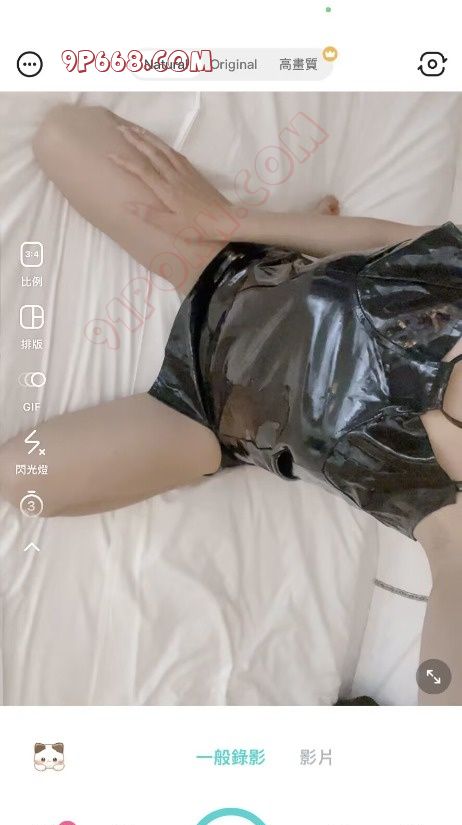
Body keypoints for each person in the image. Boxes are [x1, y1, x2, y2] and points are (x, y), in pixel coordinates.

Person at [1, 105, 461, 705]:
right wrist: (234, 219)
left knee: (21, 476)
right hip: (229, 269)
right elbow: (389, 239)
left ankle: (205, 460)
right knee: (63, 136)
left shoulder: (450, 513)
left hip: (210, 414)